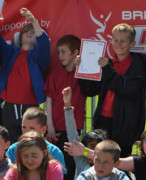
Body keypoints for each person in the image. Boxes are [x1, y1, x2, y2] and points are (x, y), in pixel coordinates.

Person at [78, 23, 146, 157]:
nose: (118, 44)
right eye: (115, 40)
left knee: (120, 162)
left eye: (123, 41)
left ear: (132, 44)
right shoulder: (109, 64)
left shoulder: (139, 63)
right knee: (102, 160)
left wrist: (107, 69)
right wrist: (82, 69)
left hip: (125, 124)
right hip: (104, 121)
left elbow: (128, 89)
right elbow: (90, 91)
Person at [0, 0, 50, 143]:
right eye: (26, 31)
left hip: (30, 108)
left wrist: (33, 21)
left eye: (33, 32)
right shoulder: (10, 52)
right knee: (11, 145)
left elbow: (44, 43)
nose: (29, 33)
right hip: (9, 107)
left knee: (30, 144)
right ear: (20, 35)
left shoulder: (38, 57)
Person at [43, 35, 85, 179]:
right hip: (56, 128)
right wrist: (50, 125)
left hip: (74, 127)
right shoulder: (55, 75)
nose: (60, 55)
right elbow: (48, 100)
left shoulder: (83, 74)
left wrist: (82, 66)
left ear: (75, 53)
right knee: (58, 165)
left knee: (72, 164)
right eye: (58, 52)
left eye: (63, 51)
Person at [62, 87, 107, 178]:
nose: (93, 151)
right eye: (91, 146)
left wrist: (85, 151)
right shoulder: (81, 160)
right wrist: (67, 106)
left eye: (97, 148)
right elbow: (72, 133)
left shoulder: (108, 166)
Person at [6, 107, 67, 174]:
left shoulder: (54, 152)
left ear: (43, 129)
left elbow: (59, 176)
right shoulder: (13, 149)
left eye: (32, 128)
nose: (27, 132)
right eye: (24, 127)